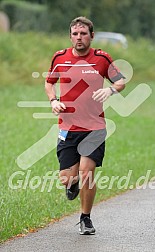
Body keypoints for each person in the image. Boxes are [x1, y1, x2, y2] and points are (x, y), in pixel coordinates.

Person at [45, 16, 125, 235]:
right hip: (68, 127)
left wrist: (110, 90)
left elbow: (120, 80)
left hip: (94, 127)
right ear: (70, 36)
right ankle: (72, 183)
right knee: (67, 178)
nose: (78, 38)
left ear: (91, 35)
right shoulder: (60, 58)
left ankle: (85, 218)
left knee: (87, 172)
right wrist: (54, 101)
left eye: (83, 34)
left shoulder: (101, 58)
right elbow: (49, 82)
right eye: (75, 34)